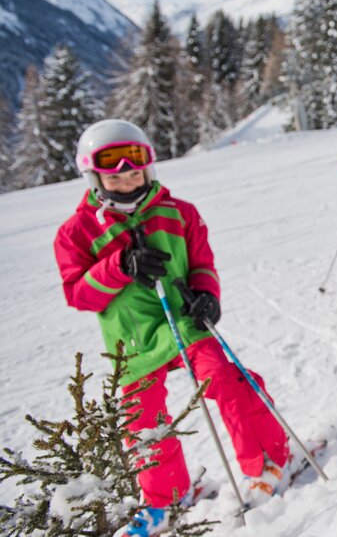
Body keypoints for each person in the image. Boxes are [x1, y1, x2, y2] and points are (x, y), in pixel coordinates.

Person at [53, 120, 290, 537]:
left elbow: (202, 264)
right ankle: (167, 498)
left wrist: (208, 296)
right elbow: (77, 293)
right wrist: (119, 267)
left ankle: (268, 459)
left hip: (185, 323)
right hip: (133, 343)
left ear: (149, 168)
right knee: (143, 419)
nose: (128, 181)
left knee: (227, 379)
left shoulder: (178, 212)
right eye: (115, 175)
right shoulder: (78, 232)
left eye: (135, 172)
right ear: (94, 176)